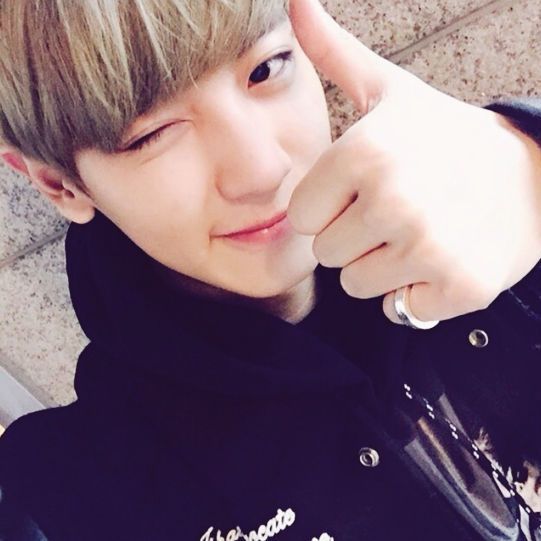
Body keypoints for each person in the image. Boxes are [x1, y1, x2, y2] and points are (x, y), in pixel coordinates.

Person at [0, 0, 540, 539]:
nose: (261, 170)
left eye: (266, 68)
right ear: (60, 186)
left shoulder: (488, 221)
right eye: (150, 135)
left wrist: (532, 164)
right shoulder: (76, 492)